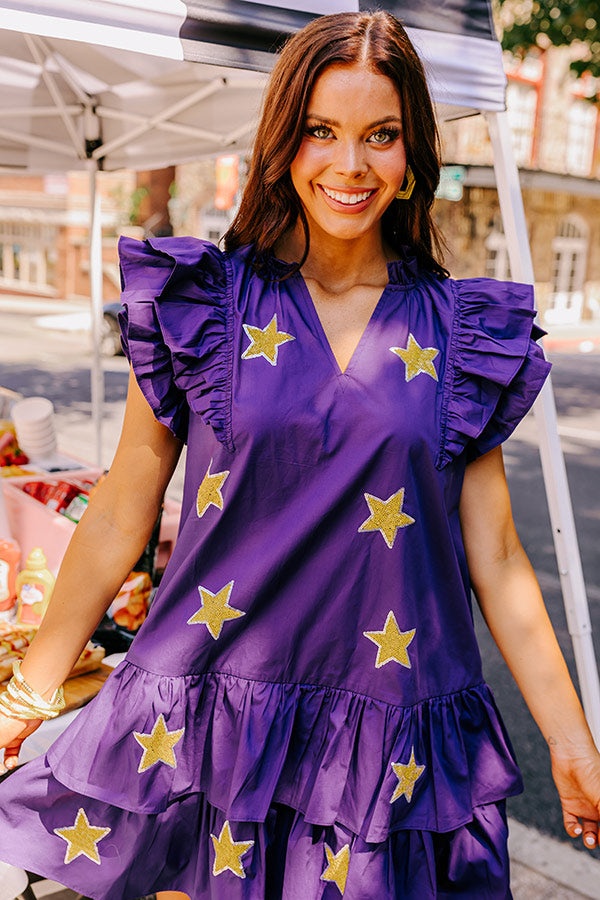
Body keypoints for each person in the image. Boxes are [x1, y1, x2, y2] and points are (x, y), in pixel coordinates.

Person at [0, 10, 599, 900]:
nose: (350, 165)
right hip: (218, 726)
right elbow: (125, 508)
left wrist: (570, 738)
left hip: (392, 751)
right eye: (322, 131)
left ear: (413, 155)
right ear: (284, 141)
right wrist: (29, 695)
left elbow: (501, 558)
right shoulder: (204, 305)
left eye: (381, 135)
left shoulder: (465, 333)